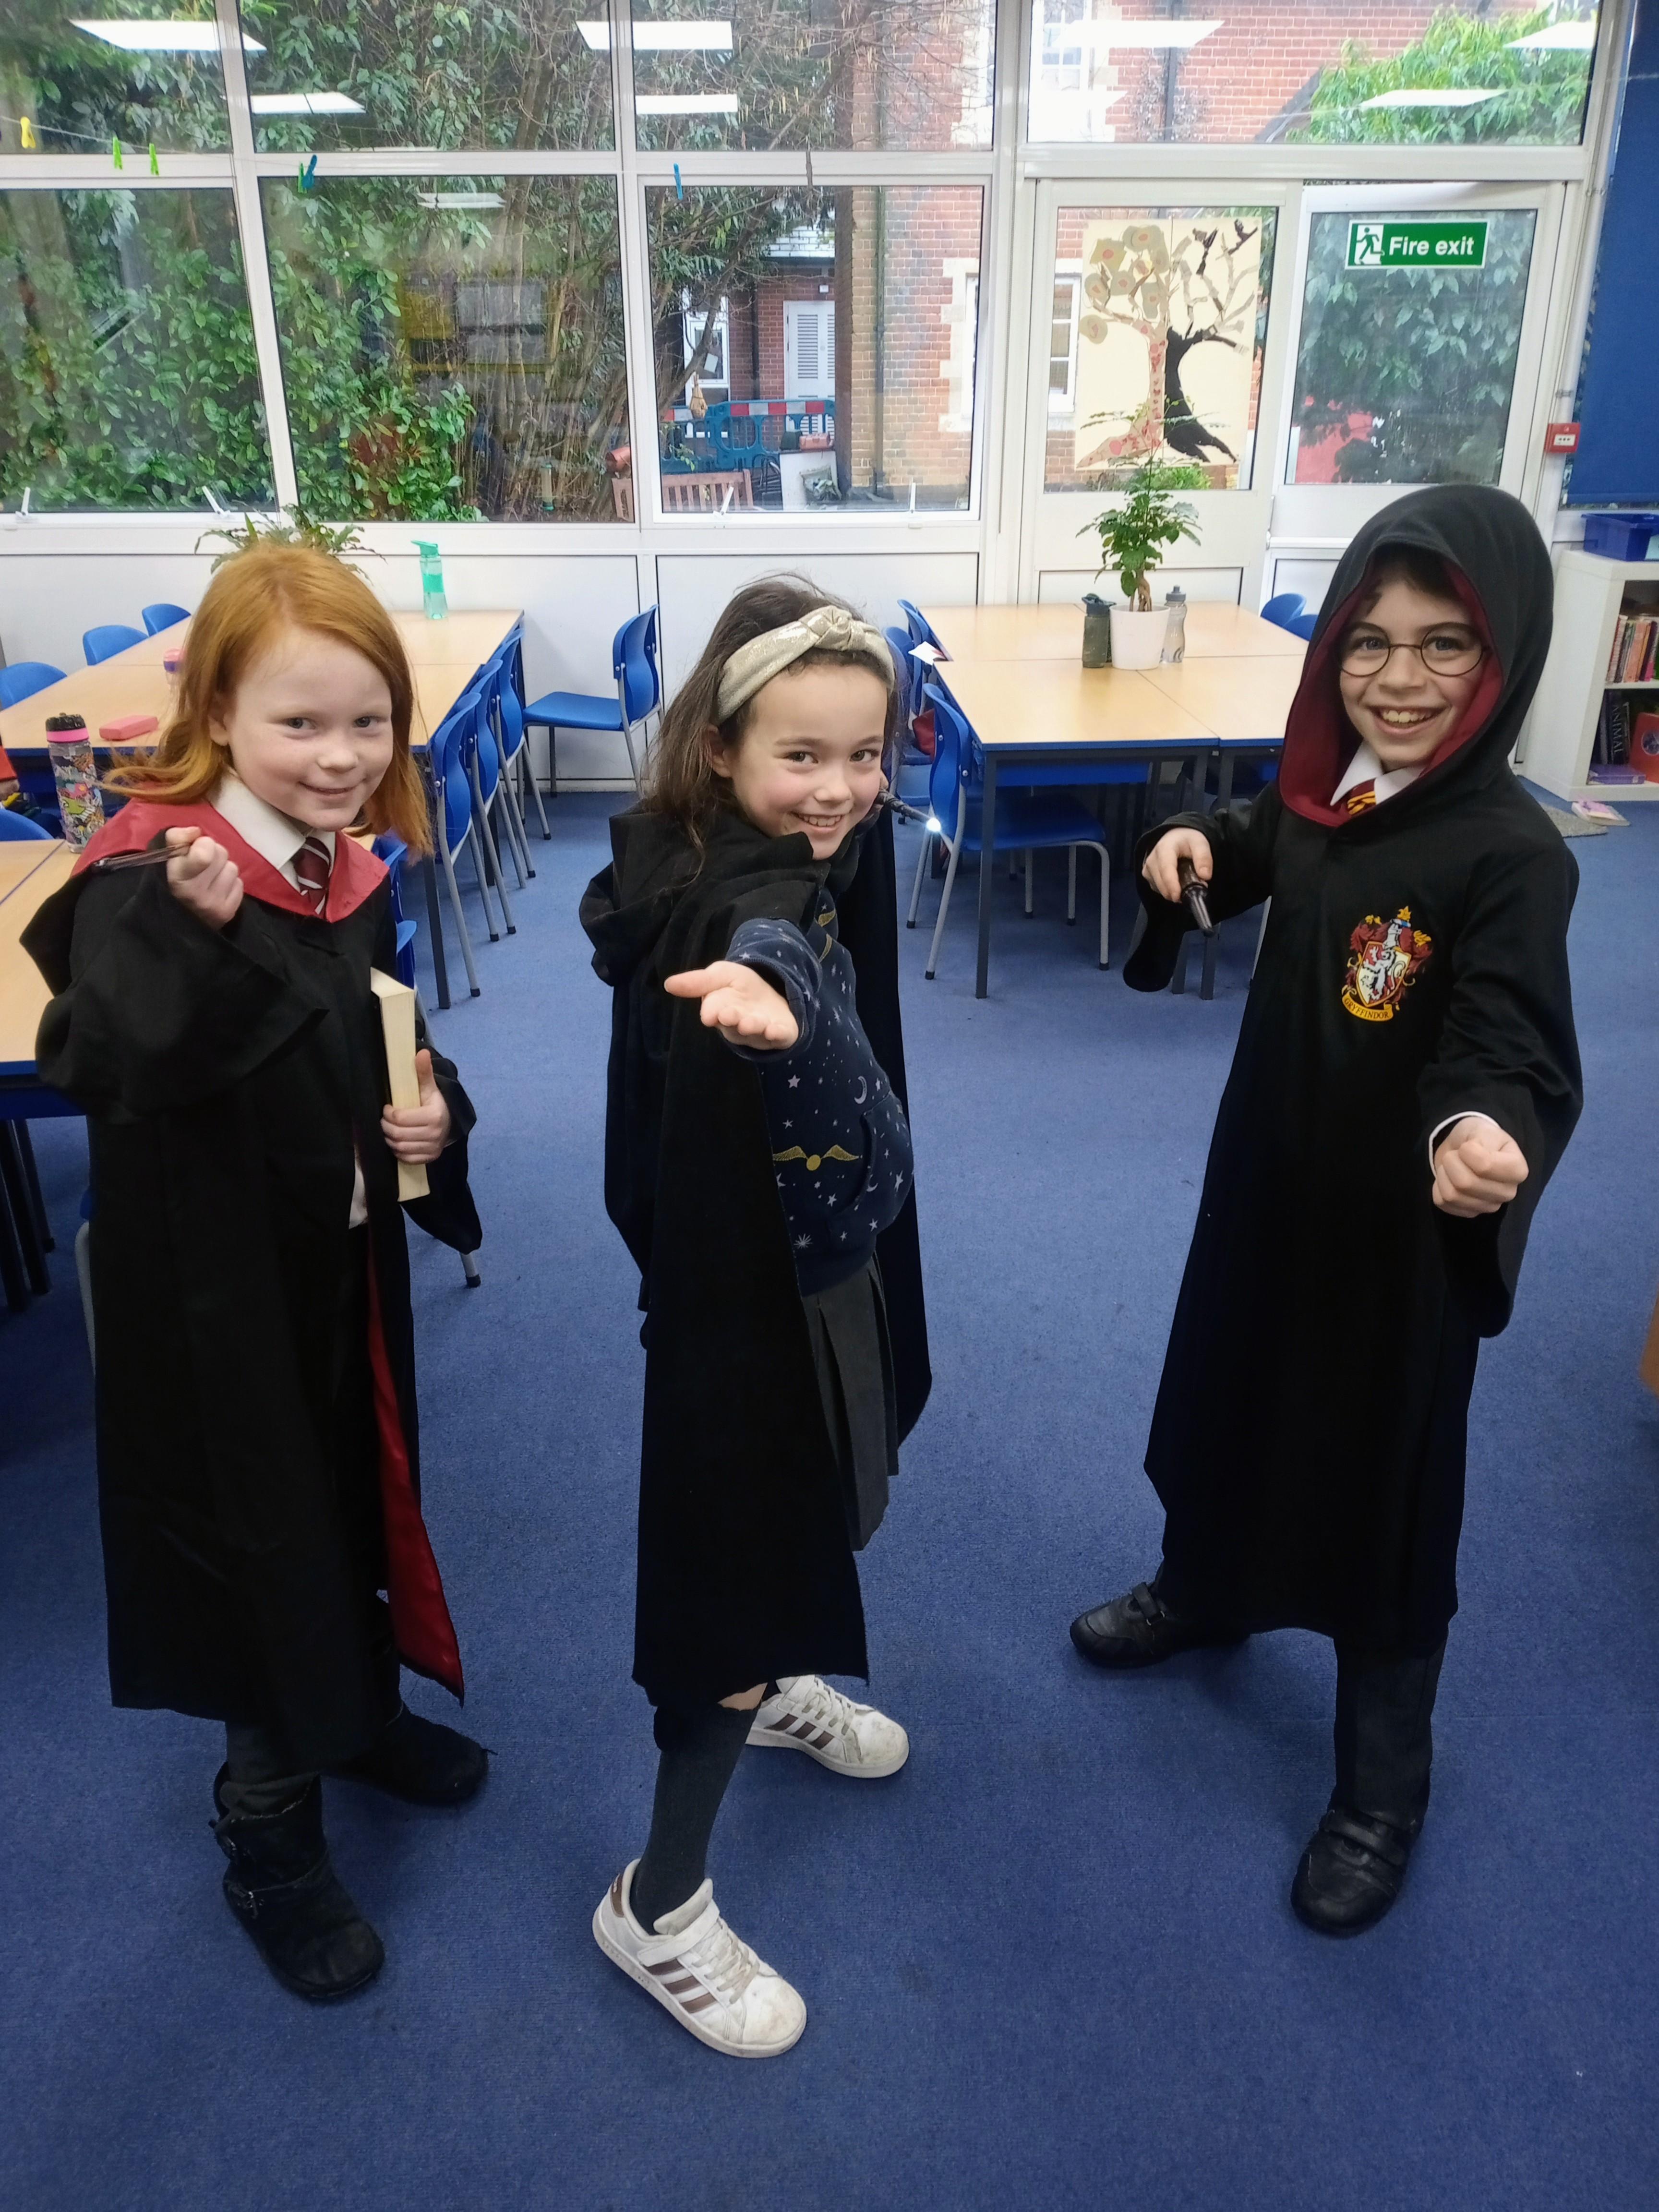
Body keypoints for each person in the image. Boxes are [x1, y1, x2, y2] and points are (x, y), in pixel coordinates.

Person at [1071, 486, 1582, 1935]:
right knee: (1230, 1390)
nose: (1399, 679)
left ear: (1503, 659)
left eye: (1444, 647)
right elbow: (1251, 845)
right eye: (1370, 641)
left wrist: (1483, 1128)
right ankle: (1205, 1589)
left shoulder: (1511, 853)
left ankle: (1379, 1790)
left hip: (1397, 1237)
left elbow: (1508, 1037)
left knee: (1382, 1488)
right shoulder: (1329, 790)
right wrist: (1189, 849)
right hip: (1270, 1180)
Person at [23, 543, 487, 2002]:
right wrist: (196, 937)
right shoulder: (156, 875)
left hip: (337, 1263)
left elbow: (383, 1032)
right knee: (260, 1541)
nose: (342, 757)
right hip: (217, 1299)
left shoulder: (340, 868)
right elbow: (100, 1059)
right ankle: (268, 1831)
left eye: (369, 723)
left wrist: (434, 1118)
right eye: (300, 724)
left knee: (354, 1492)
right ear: (218, 711)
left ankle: (355, 1716)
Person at [581, 577, 931, 2056]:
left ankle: (781, 1678)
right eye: (804, 756)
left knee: (789, 1527)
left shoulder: (711, 840)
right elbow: (770, 942)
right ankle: (659, 1903)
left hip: (749, 1259)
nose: (841, 789)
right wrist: (782, 995)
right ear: (720, 747)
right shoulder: (751, 899)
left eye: (867, 755)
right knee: (732, 1564)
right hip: (740, 1303)